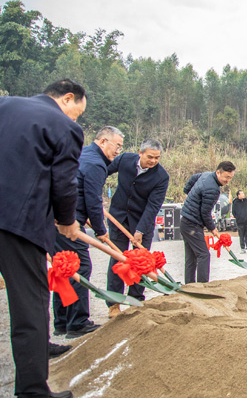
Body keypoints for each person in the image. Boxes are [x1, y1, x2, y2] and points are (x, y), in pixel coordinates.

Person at [0, 79, 86, 398]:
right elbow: (64, 183)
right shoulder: (62, 125)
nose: (76, 121)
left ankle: (41, 346)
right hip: (17, 224)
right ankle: (32, 394)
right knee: (31, 304)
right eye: (77, 113)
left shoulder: (5, 105)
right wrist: (67, 220)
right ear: (68, 99)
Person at [53, 126, 124, 339]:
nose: (117, 151)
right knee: (80, 267)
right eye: (116, 146)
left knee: (64, 267)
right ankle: (78, 323)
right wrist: (101, 230)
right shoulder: (95, 164)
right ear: (103, 141)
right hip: (69, 223)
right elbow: (93, 200)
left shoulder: (82, 154)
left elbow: (81, 193)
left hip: (56, 218)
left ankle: (62, 321)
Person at [105, 138, 169, 318]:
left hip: (142, 221)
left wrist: (140, 231)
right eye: (150, 157)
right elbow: (103, 171)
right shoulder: (125, 159)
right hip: (119, 218)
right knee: (117, 260)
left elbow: (153, 206)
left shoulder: (161, 176)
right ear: (140, 153)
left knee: (141, 262)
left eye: (157, 158)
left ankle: (136, 300)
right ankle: (114, 303)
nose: (153, 161)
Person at [181, 162, 236, 283]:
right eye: (226, 177)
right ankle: (202, 285)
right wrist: (213, 228)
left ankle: (190, 285)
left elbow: (193, 178)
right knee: (203, 255)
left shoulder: (206, 175)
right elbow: (205, 213)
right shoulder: (213, 189)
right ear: (218, 172)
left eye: (230, 177)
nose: (228, 180)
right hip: (192, 224)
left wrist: (188, 192)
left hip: (186, 221)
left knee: (191, 257)